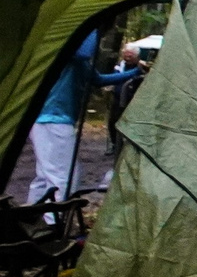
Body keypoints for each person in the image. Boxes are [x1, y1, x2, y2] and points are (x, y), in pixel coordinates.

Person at [24, 31, 140, 211]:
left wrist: (136, 72)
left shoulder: (81, 63)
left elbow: (99, 80)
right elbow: (84, 51)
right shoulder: (69, 53)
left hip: (50, 120)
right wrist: (95, 25)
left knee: (45, 176)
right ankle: (54, 223)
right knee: (65, 176)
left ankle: (30, 217)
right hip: (53, 119)